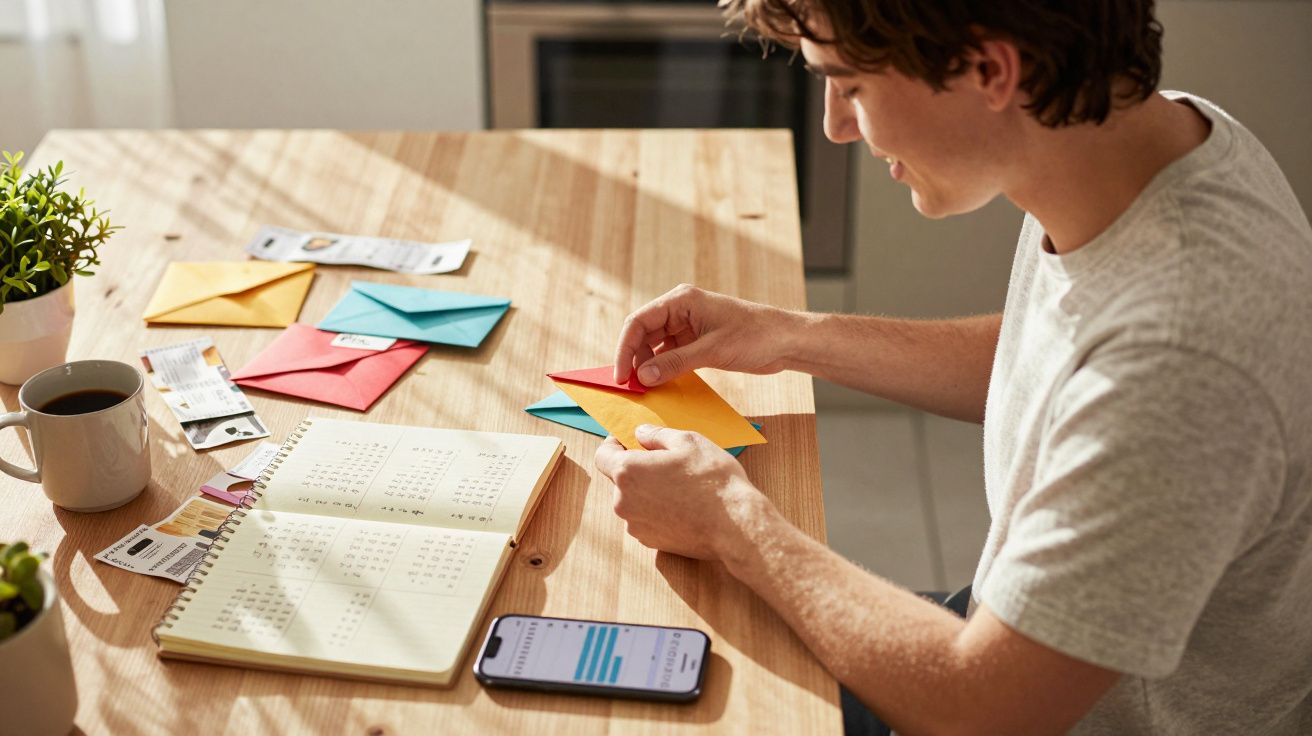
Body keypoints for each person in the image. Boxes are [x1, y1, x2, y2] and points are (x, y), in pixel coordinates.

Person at [592, 1, 1312, 733]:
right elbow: (1065, 363)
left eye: (853, 87)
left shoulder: (1182, 361)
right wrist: (785, 336)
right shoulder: (1155, 145)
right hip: (1015, 641)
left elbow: (986, 710)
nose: (836, 126)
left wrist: (732, 521)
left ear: (989, 70)